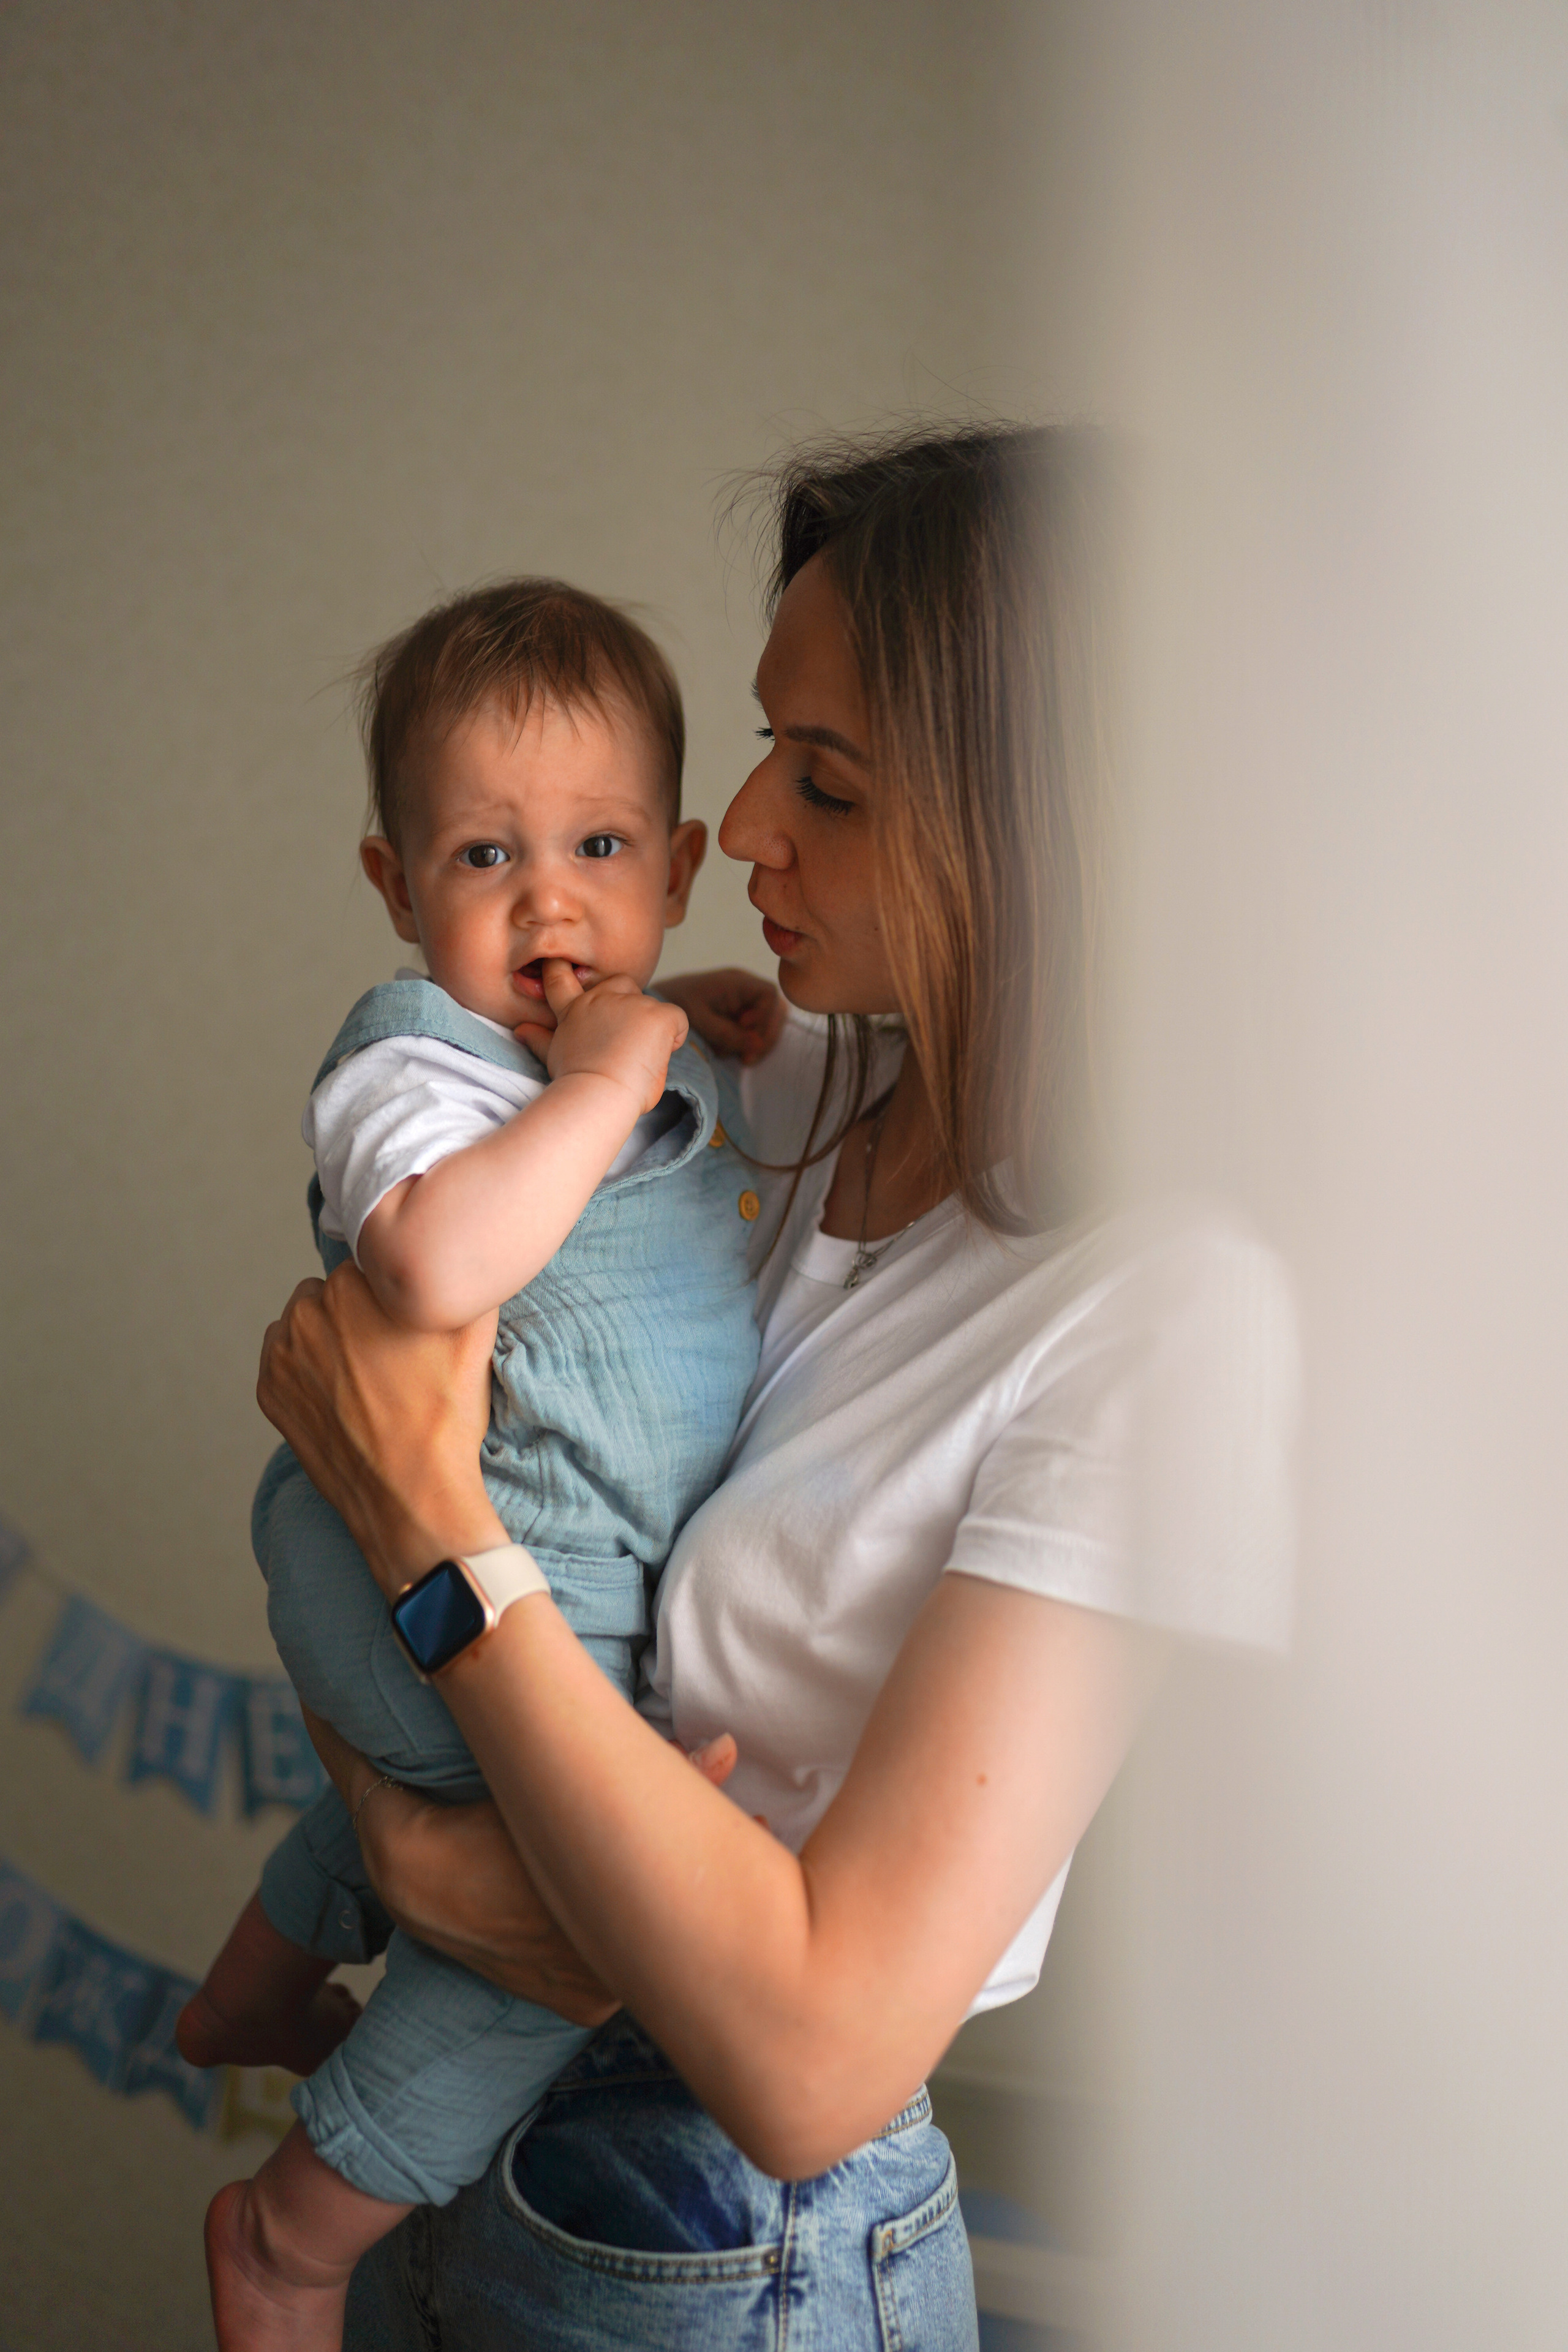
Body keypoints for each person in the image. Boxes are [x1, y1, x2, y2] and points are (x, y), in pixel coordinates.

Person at [241, 424, 1297, 2351]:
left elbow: (810, 2063)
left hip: (719, 2223)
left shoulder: (1178, 1316)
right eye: (756, 745)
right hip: (476, 2125)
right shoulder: (766, 1101)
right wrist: (409, 1846)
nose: (736, 827)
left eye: (824, 777)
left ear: (1036, 818)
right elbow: (333, 1390)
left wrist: (428, 1538)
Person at [181, 581, 767, 2350]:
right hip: (430, 1555)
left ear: (671, 868)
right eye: (482, 858)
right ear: (395, 887)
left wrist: (661, 1038)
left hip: (528, 1571)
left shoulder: (640, 1057)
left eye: (597, 847)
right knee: (564, 1926)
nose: (549, 905)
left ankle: (253, 1992)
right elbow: (434, 1263)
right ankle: (294, 2235)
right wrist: (605, 1078)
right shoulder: (413, 1065)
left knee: (447, 1812)